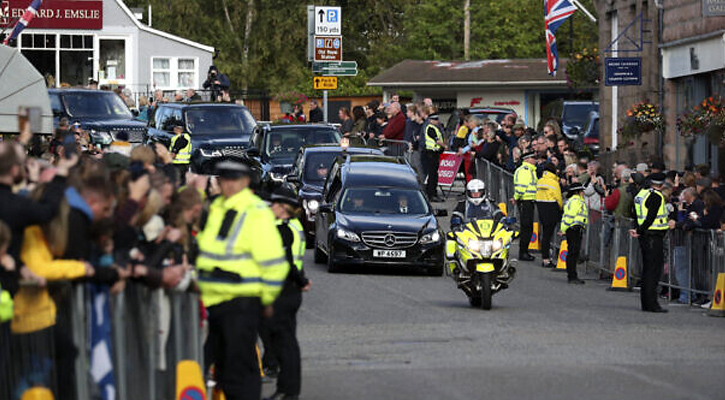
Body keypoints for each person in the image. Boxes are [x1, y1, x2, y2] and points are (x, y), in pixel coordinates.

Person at [197, 160, 289, 400]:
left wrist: (266, 300)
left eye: (233, 180)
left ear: (246, 182)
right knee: (225, 371)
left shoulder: (255, 212)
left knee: (239, 371)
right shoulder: (218, 207)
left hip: (241, 301)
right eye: (223, 180)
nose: (227, 185)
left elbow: (273, 264)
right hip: (215, 301)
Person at [261, 186, 311, 400]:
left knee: (284, 344)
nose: (270, 207)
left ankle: (289, 391)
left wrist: (302, 281)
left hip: (285, 289)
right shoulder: (291, 225)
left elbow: (286, 261)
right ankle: (285, 389)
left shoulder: (284, 229)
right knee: (282, 342)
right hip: (288, 288)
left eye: (274, 204)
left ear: (283, 208)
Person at [629, 172, 669, 313]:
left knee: (647, 270)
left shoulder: (641, 194)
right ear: (661, 184)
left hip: (645, 235)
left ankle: (646, 303)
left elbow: (635, 213)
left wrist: (637, 229)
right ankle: (652, 304)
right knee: (653, 271)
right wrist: (640, 229)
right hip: (653, 235)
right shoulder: (656, 196)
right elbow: (651, 217)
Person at [559, 183, 587, 284]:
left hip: (574, 229)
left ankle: (572, 275)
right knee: (573, 253)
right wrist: (563, 229)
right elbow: (569, 216)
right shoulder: (576, 201)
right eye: (582, 191)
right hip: (573, 229)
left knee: (573, 253)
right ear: (577, 192)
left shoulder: (575, 201)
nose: (583, 193)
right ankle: (572, 276)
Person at [512, 151, 538, 261]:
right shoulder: (525, 171)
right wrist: (516, 197)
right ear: (526, 160)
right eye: (533, 158)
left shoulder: (530, 170)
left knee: (528, 228)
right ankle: (523, 252)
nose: (535, 160)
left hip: (528, 201)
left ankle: (524, 251)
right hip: (525, 201)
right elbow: (521, 187)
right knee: (526, 228)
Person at [536, 163, 563, 268]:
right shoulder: (554, 182)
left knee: (545, 234)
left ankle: (545, 257)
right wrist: (560, 208)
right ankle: (546, 259)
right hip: (551, 207)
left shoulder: (540, 181)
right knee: (548, 234)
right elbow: (558, 198)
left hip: (541, 207)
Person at [421, 111, 446, 201]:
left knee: (434, 175)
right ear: (430, 120)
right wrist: (445, 146)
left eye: (437, 119)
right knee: (432, 175)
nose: (437, 121)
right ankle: (432, 194)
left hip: (434, 153)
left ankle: (432, 193)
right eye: (435, 119)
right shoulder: (430, 128)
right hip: (431, 153)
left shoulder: (435, 128)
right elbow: (437, 141)